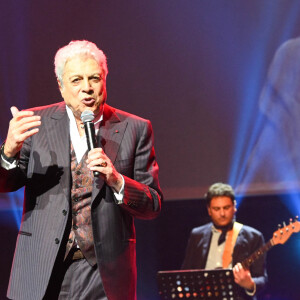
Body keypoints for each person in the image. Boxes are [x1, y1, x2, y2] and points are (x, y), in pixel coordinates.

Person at [0, 40, 163, 300]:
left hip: (103, 273)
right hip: (43, 267)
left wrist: (117, 180)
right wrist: (8, 151)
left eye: (94, 78)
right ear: (61, 86)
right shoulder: (34, 124)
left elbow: (152, 203)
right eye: (76, 80)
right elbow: (6, 184)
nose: (86, 88)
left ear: (104, 80)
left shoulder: (135, 128)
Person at [182, 183, 267, 300]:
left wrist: (249, 284)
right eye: (216, 209)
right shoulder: (197, 235)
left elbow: (262, 279)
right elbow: (186, 273)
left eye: (226, 208)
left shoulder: (253, 236)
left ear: (234, 207)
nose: (222, 214)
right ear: (209, 210)